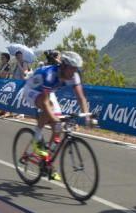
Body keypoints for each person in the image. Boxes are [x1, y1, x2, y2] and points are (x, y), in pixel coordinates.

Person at [21, 51, 93, 181]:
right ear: (64, 66)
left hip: (48, 92)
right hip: (31, 90)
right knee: (48, 107)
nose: (74, 72)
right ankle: (36, 139)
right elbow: (44, 102)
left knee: (59, 128)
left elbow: (81, 98)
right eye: (72, 68)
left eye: (76, 69)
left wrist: (87, 117)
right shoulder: (50, 74)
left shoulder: (74, 75)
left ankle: (48, 164)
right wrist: (54, 118)